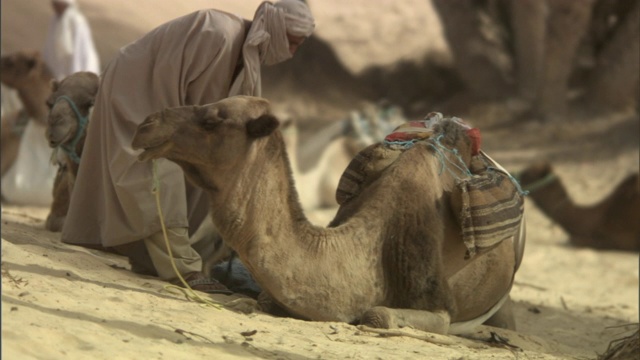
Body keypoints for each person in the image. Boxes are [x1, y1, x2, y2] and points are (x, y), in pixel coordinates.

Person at [61, 1, 315, 293]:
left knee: (199, 178)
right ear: (274, 29)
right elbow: (182, 97)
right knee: (156, 177)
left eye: (299, 45)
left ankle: (168, 259)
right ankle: (183, 270)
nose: (291, 52)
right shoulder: (216, 32)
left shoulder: (248, 60)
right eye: (291, 42)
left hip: (173, 108)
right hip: (136, 91)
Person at [42, 0, 101, 80]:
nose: (53, 5)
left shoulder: (77, 21)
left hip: (79, 70)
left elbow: (80, 51)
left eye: (56, 3)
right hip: (59, 73)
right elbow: (50, 48)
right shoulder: (54, 20)